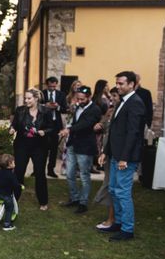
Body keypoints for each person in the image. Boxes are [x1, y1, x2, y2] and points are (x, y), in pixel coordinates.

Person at [98, 71, 145, 241]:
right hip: (115, 155)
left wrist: (124, 158)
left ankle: (127, 229)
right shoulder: (121, 102)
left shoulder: (136, 103)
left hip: (126, 157)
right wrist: (106, 152)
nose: (117, 86)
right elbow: (115, 132)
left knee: (123, 193)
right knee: (113, 190)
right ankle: (117, 223)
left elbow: (133, 133)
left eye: (121, 84)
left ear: (132, 84)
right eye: (116, 83)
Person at [59, 86, 102, 213]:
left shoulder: (95, 109)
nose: (79, 101)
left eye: (82, 99)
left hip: (85, 146)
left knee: (84, 175)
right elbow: (74, 122)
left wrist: (69, 130)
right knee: (70, 173)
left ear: (89, 97)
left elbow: (85, 124)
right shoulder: (77, 107)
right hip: (73, 143)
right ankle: (74, 198)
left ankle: (83, 202)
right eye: (78, 98)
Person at [10, 88, 54, 210]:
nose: (26, 100)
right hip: (22, 146)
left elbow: (51, 128)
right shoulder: (20, 110)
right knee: (18, 173)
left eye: (29, 98)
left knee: (40, 173)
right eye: (25, 98)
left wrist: (44, 132)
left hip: (39, 146)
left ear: (36, 99)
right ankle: (14, 199)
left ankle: (43, 201)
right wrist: (12, 129)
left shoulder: (46, 111)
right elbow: (14, 124)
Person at [93, 87, 119, 229]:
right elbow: (104, 124)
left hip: (116, 154)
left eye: (115, 96)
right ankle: (113, 217)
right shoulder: (111, 111)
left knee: (112, 185)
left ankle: (112, 219)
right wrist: (100, 125)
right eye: (112, 96)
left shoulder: (123, 112)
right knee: (110, 184)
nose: (112, 98)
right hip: (107, 152)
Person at [42, 76, 68, 178]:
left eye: (54, 86)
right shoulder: (42, 93)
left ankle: (50, 169)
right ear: (47, 85)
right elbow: (37, 106)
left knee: (53, 148)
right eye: (50, 86)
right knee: (42, 148)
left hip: (55, 124)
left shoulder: (61, 95)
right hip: (44, 124)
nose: (52, 88)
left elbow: (65, 109)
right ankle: (38, 169)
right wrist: (45, 106)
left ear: (56, 85)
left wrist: (57, 106)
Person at [0, 154, 22, 231]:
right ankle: (7, 224)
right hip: (7, 196)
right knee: (10, 208)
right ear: (9, 164)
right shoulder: (11, 175)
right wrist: (19, 186)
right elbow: (15, 184)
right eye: (13, 162)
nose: (15, 163)